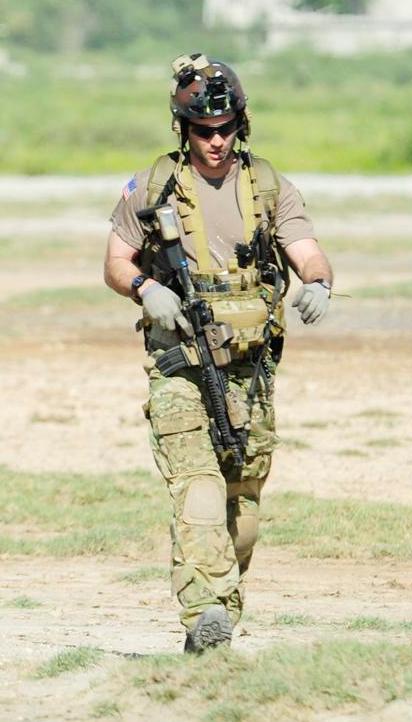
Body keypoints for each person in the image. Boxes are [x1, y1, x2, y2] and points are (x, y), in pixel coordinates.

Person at [104, 53, 333, 653]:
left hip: (250, 372)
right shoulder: (154, 185)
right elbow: (115, 261)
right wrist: (145, 287)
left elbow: (306, 248)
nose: (216, 141)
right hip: (180, 365)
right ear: (184, 128)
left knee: (243, 507)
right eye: (203, 130)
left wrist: (317, 282)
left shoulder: (268, 185)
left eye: (226, 127)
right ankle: (203, 608)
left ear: (241, 123)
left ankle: (216, 624)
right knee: (199, 488)